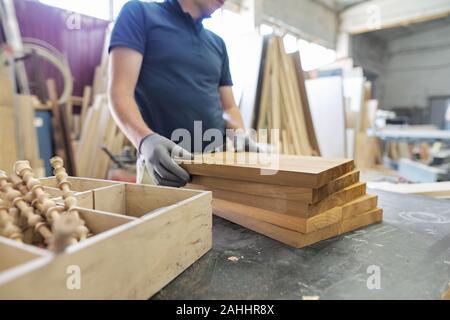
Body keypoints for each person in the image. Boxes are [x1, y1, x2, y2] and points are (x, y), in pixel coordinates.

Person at [108, 0, 263, 187]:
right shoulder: (140, 14)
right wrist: (145, 140)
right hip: (164, 170)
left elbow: (228, 106)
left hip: (215, 172)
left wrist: (239, 133)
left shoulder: (217, 44)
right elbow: (120, 92)